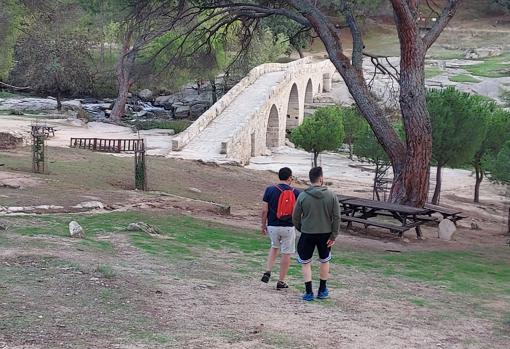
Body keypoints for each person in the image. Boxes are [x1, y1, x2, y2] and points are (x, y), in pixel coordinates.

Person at [292, 166, 340, 301]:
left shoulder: (303, 195)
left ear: (310, 179)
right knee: (324, 260)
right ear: (321, 178)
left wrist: (302, 228)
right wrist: (333, 235)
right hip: (325, 234)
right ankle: (322, 290)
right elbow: (336, 217)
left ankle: (308, 292)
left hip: (307, 233)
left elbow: (295, 217)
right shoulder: (331, 195)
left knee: (306, 262)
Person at [261, 167, 300, 290]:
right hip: (288, 227)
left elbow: (264, 210)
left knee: (274, 247)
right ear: (290, 178)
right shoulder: (296, 192)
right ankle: (281, 281)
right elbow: (298, 212)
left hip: (272, 225)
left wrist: (263, 225)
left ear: (279, 177)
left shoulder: (270, 190)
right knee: (286, 253)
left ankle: (268, 270)